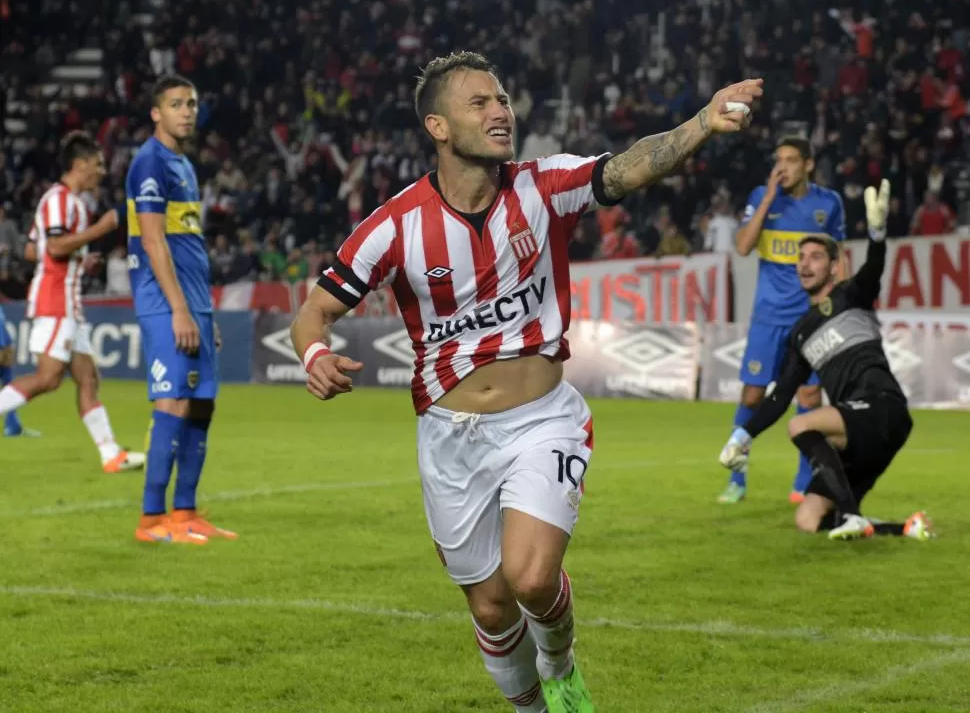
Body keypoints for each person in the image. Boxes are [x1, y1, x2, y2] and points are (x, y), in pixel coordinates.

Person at [290, 50, 762, 713]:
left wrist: (703, 122)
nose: (500, 111)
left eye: (503, 98)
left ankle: (560, 665)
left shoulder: (544, 186)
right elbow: (315, 309)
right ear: (439, 127)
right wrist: (314, 356)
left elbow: (628, 165)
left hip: (542, 420)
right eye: (480, 102)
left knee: (533, 578)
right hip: (449, 439)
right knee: (489, 606)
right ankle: (534, 708)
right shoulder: (395, 226)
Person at [718, 180, 934, 542]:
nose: (805, 264)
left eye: (816, 257)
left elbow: (875, 269)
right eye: (801, 258)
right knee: (809, 518)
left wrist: (878, 234)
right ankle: (903, 528)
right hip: (856, 431)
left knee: (801, 427)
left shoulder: (852, 296)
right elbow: (780, 395)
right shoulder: (800, 333)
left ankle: (849, 513)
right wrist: (743, 435)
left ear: (835, 267)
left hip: (883, 407)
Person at [127, 75, 233, 545]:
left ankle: (185, 511)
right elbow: (152, 241)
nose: (186, 111)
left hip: (191, 304)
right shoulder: (149, 163)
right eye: (175, 104)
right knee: (172, 400)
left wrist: (201, 311)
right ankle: (152, 519)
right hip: (162, 302)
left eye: (191, 103)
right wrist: (178, 310)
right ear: (156, 113)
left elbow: (188, 245)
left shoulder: (183, 164)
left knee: (202, 403)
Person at [0, 132, 144, 469]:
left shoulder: (72, 203)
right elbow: (53, 248)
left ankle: (111, 455)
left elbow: (33, 249)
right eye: (97, 164)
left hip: (69, 301)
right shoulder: (59, 200)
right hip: (55, 299)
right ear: (79, 165)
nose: (101, 171)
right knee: (47, 378)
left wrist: (81, 257)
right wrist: (101, 229)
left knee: (88, 378)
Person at [718, 137, 846, 505]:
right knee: (754, 394)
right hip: (768, 317)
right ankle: (736, 479)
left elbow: (840, 256)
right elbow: (743, 246)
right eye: (779, 160)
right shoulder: (762, 196)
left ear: (808, 164)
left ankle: (803, 482)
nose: (783, 167)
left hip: (810, 316)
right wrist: (769, 199)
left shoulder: (829, 203)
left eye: (791, 160)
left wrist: (845, 303)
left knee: (809, 393)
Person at [0, 303, 37, 438]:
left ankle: (13, 427)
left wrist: (7, 348)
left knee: (10, 391)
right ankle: (12, 427)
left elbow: (3, 330)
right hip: (3, 353)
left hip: (5, 352)